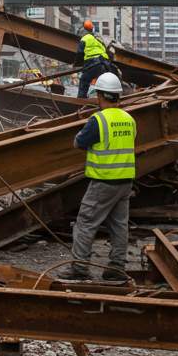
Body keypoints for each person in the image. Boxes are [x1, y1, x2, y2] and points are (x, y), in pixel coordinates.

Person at [58, 72, 134, 283]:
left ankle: (80, 268)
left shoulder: (98, 120)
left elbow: (79, 143)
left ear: (100, 95)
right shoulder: (129, 119)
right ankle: (116, 268)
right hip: (125, 181)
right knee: (119, 226)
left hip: (104, 180)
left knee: (85, 223)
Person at [76, 20, 112, 98]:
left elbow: (80, 53)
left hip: (93, 63)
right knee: (104, 85)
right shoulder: (99, 39)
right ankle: (106, 99)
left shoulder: (85, 38)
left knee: (84, 80)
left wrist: (77, 64)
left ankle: (81, 100)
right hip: (105, 65)